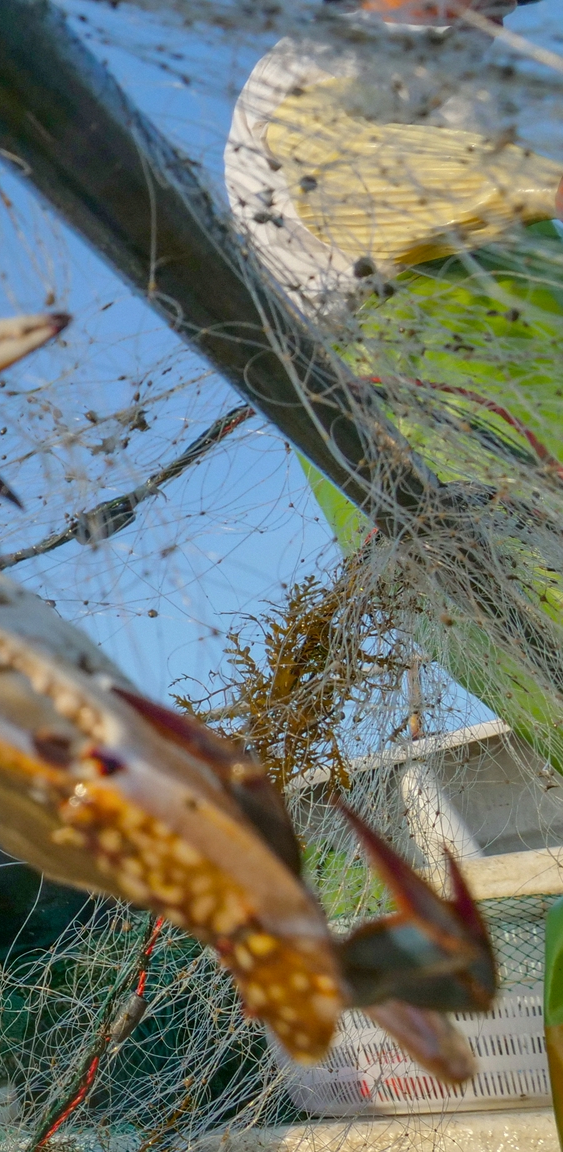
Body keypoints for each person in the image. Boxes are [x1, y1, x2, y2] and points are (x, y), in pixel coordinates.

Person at [226, 0, 563, 767]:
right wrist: (540, 185)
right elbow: (346, 186)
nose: (495, 26)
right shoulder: (320, 58)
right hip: (440, 399)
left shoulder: (450, 66)